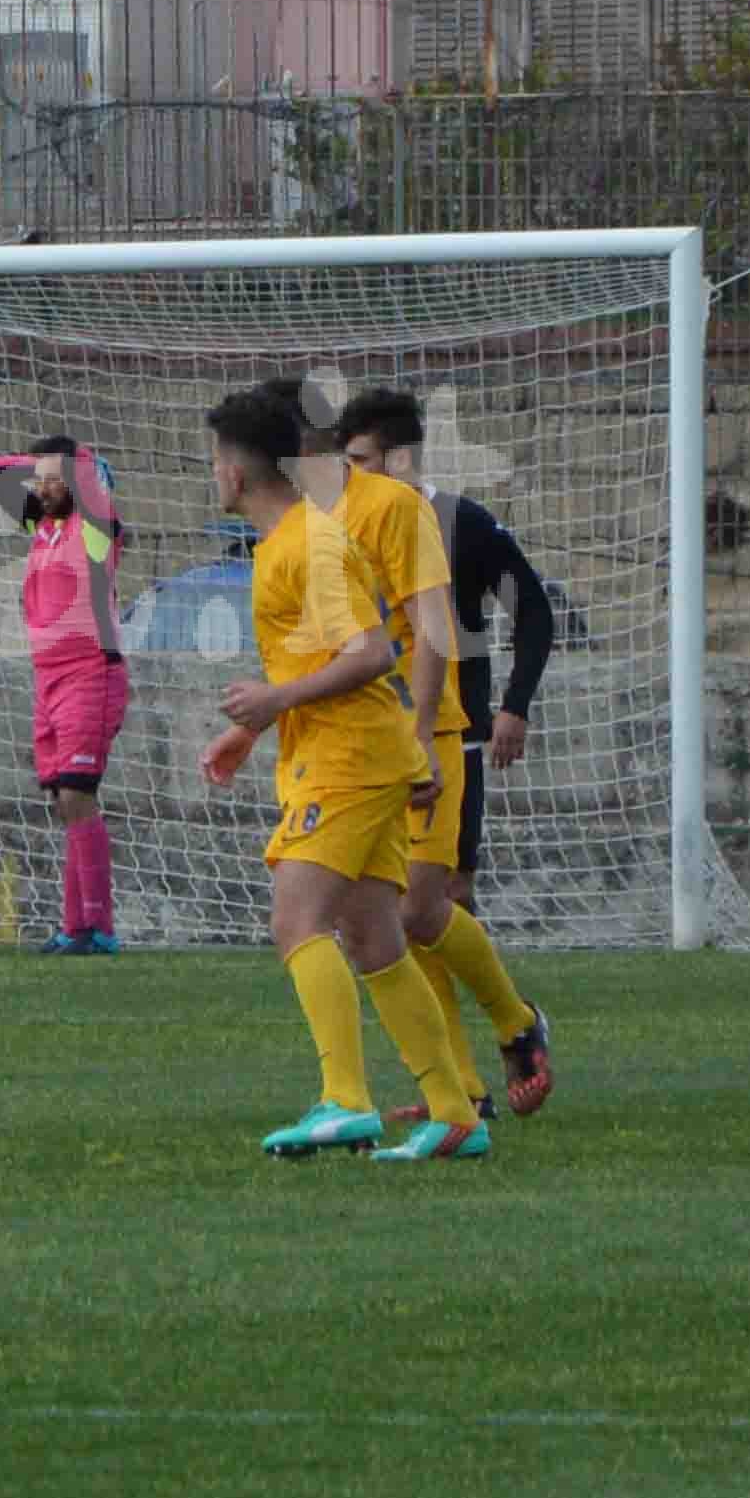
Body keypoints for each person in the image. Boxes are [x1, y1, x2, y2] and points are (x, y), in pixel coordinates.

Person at [197, 379, 488, 1163]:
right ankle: (455, 1111)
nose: (213, 473)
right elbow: (325, 658)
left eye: (216, 459)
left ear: (236, 468)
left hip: (348, 765)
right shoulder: (293, 542)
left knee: (296, 921)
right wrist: (252, 731)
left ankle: (344, 1098)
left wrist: (274, 699)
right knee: (371, 937)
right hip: (348, 755)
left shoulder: (307, 544)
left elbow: (372, 651)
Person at [332, 387, 560, 1119]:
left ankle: (513, 1024)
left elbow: (533, 608)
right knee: (409, 915)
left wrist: (514, 705)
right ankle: (464, 1086)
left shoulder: (460, 522)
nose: (353, 473)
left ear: (400, 457)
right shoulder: (350, 524)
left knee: (432, 905)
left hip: (449, 736)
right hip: (378, 739)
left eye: (363, 460)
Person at [0, 437, 130, 954]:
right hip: (48, 678)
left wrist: (81, 462)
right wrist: (43, 467)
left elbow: (82, 483)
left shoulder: (96, 529)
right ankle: (76, 928)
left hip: (91, 671)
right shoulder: (42, 528)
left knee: (76, 794)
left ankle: (96, 927)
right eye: (37, 478)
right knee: (66, 802)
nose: (41, 487)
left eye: (53, 477)